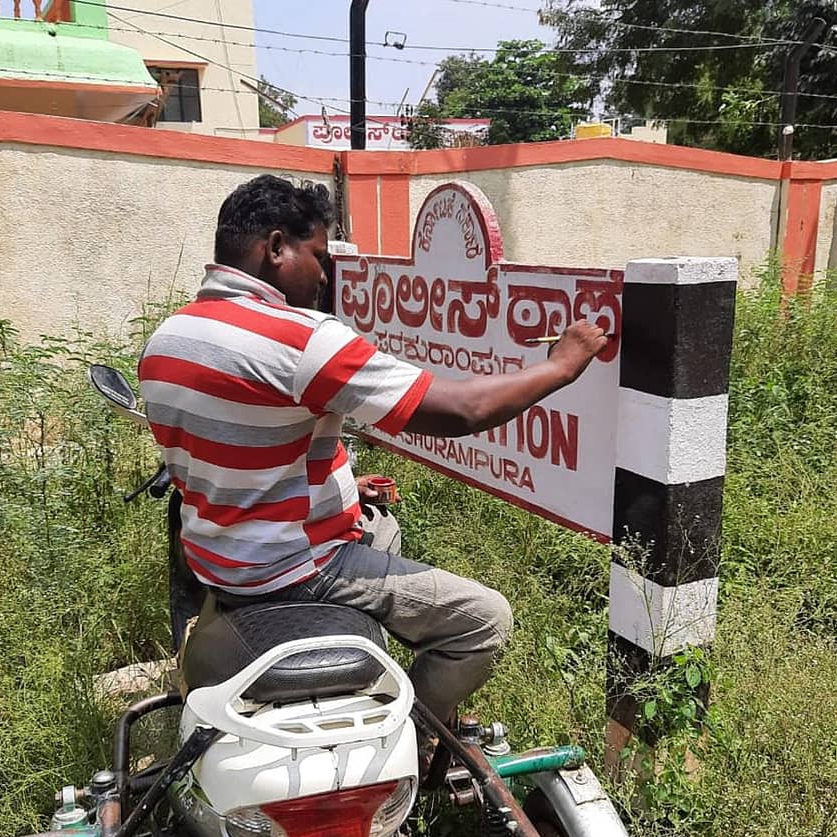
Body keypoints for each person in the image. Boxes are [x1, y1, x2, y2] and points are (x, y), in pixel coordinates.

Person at [138, 175, 606, 749]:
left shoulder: (170, 338)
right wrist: (560, 366)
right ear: (276, 247)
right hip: (292, 569)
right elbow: (464, 409)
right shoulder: (301, 341)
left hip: (218, 559)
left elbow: (232, 450)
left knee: (383, 527)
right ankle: (408, 739)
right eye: (318, 256)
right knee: (485, 619)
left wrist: (341, 482)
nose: (325, 276)